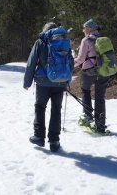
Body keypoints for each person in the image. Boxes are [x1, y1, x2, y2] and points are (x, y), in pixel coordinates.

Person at [23, 22, 73, 152]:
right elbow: (70, 62)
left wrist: (27, 82)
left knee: (40, 107)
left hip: (42, 82)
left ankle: (39, 136)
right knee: (56, 110)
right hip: (60, 82)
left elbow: (31, 62)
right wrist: (67, 81)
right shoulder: (64, 42)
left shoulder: (41, 42)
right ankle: (54, 141)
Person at [74, 19, 110, 133]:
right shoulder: (104, 40)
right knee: (100, 98)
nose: (83, 30)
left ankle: (87, 118)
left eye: (84, 28)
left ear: (89, 29)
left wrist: (70, 65)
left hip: (89, 71)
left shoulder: (86, 40)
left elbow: (80, 59)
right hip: (104, 71)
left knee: (85, 91)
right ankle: (100, 125)